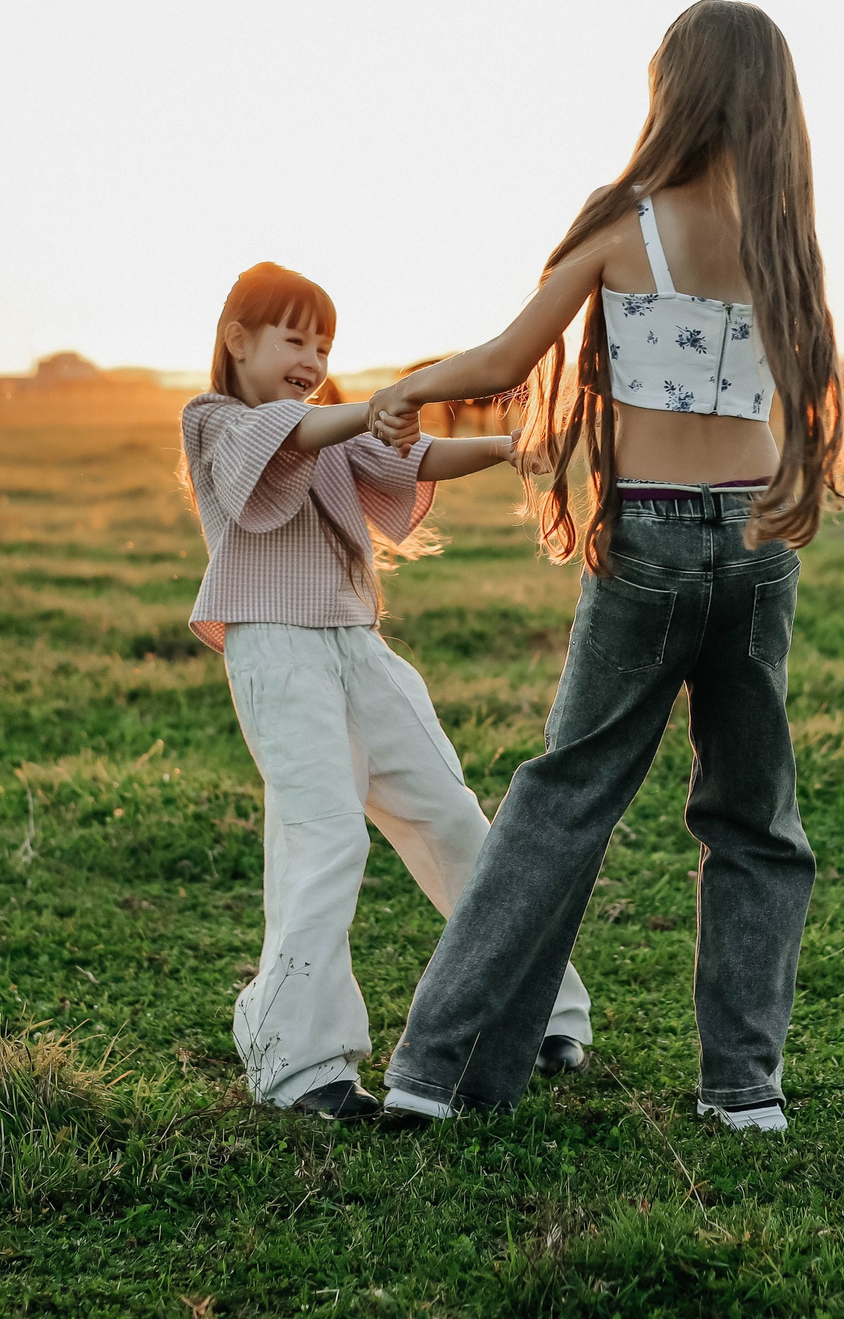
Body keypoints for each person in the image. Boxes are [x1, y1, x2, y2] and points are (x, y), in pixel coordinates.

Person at [366, 0, 844, 1131]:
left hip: (650, 542)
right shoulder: (783, 233)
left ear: (672, 90)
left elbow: (507, 356)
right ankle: (745, 1091)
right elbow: (802, 390)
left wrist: (409, 387)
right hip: (755, 542)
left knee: (561, 802)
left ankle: (435, 1074)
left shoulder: (626, 220)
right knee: (754, 821)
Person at [179, 261, 594, 1122]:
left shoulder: (330, 426)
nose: (312, 358)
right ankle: (298, 1060)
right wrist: (369, 407)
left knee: (450, 815)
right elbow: (298, 432)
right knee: (324, 837)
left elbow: (409, 452)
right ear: (237, 339)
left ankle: (535, 1010)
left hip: (360, 650)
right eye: (294, 338)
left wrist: (511, 448)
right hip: (279, 654)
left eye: (324, 345)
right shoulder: (216, 421)